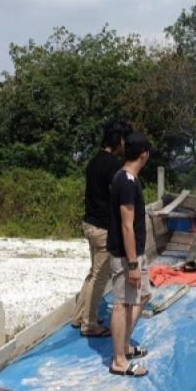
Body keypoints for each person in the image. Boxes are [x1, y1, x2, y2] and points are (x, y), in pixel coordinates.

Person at [72, 122, 127, 336]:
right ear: (118, 140)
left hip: (90, 224)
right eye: (124, 139)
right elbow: (118, 198)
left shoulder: (94, 161)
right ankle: (90, 324)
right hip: (103, 228)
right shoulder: (112, 165)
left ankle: (79, 316)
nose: (125, 144)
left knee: (93, 273)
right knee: (100, 277)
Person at [107, 131, 152, 377]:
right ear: (144, 155)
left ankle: (124, 345)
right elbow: (127, 226)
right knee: (122, 305)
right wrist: (133, 264)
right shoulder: (125, 182)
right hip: (126, 257)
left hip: (135, 254)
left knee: (143, 296)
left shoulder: (130, 179)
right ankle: (119, 360)